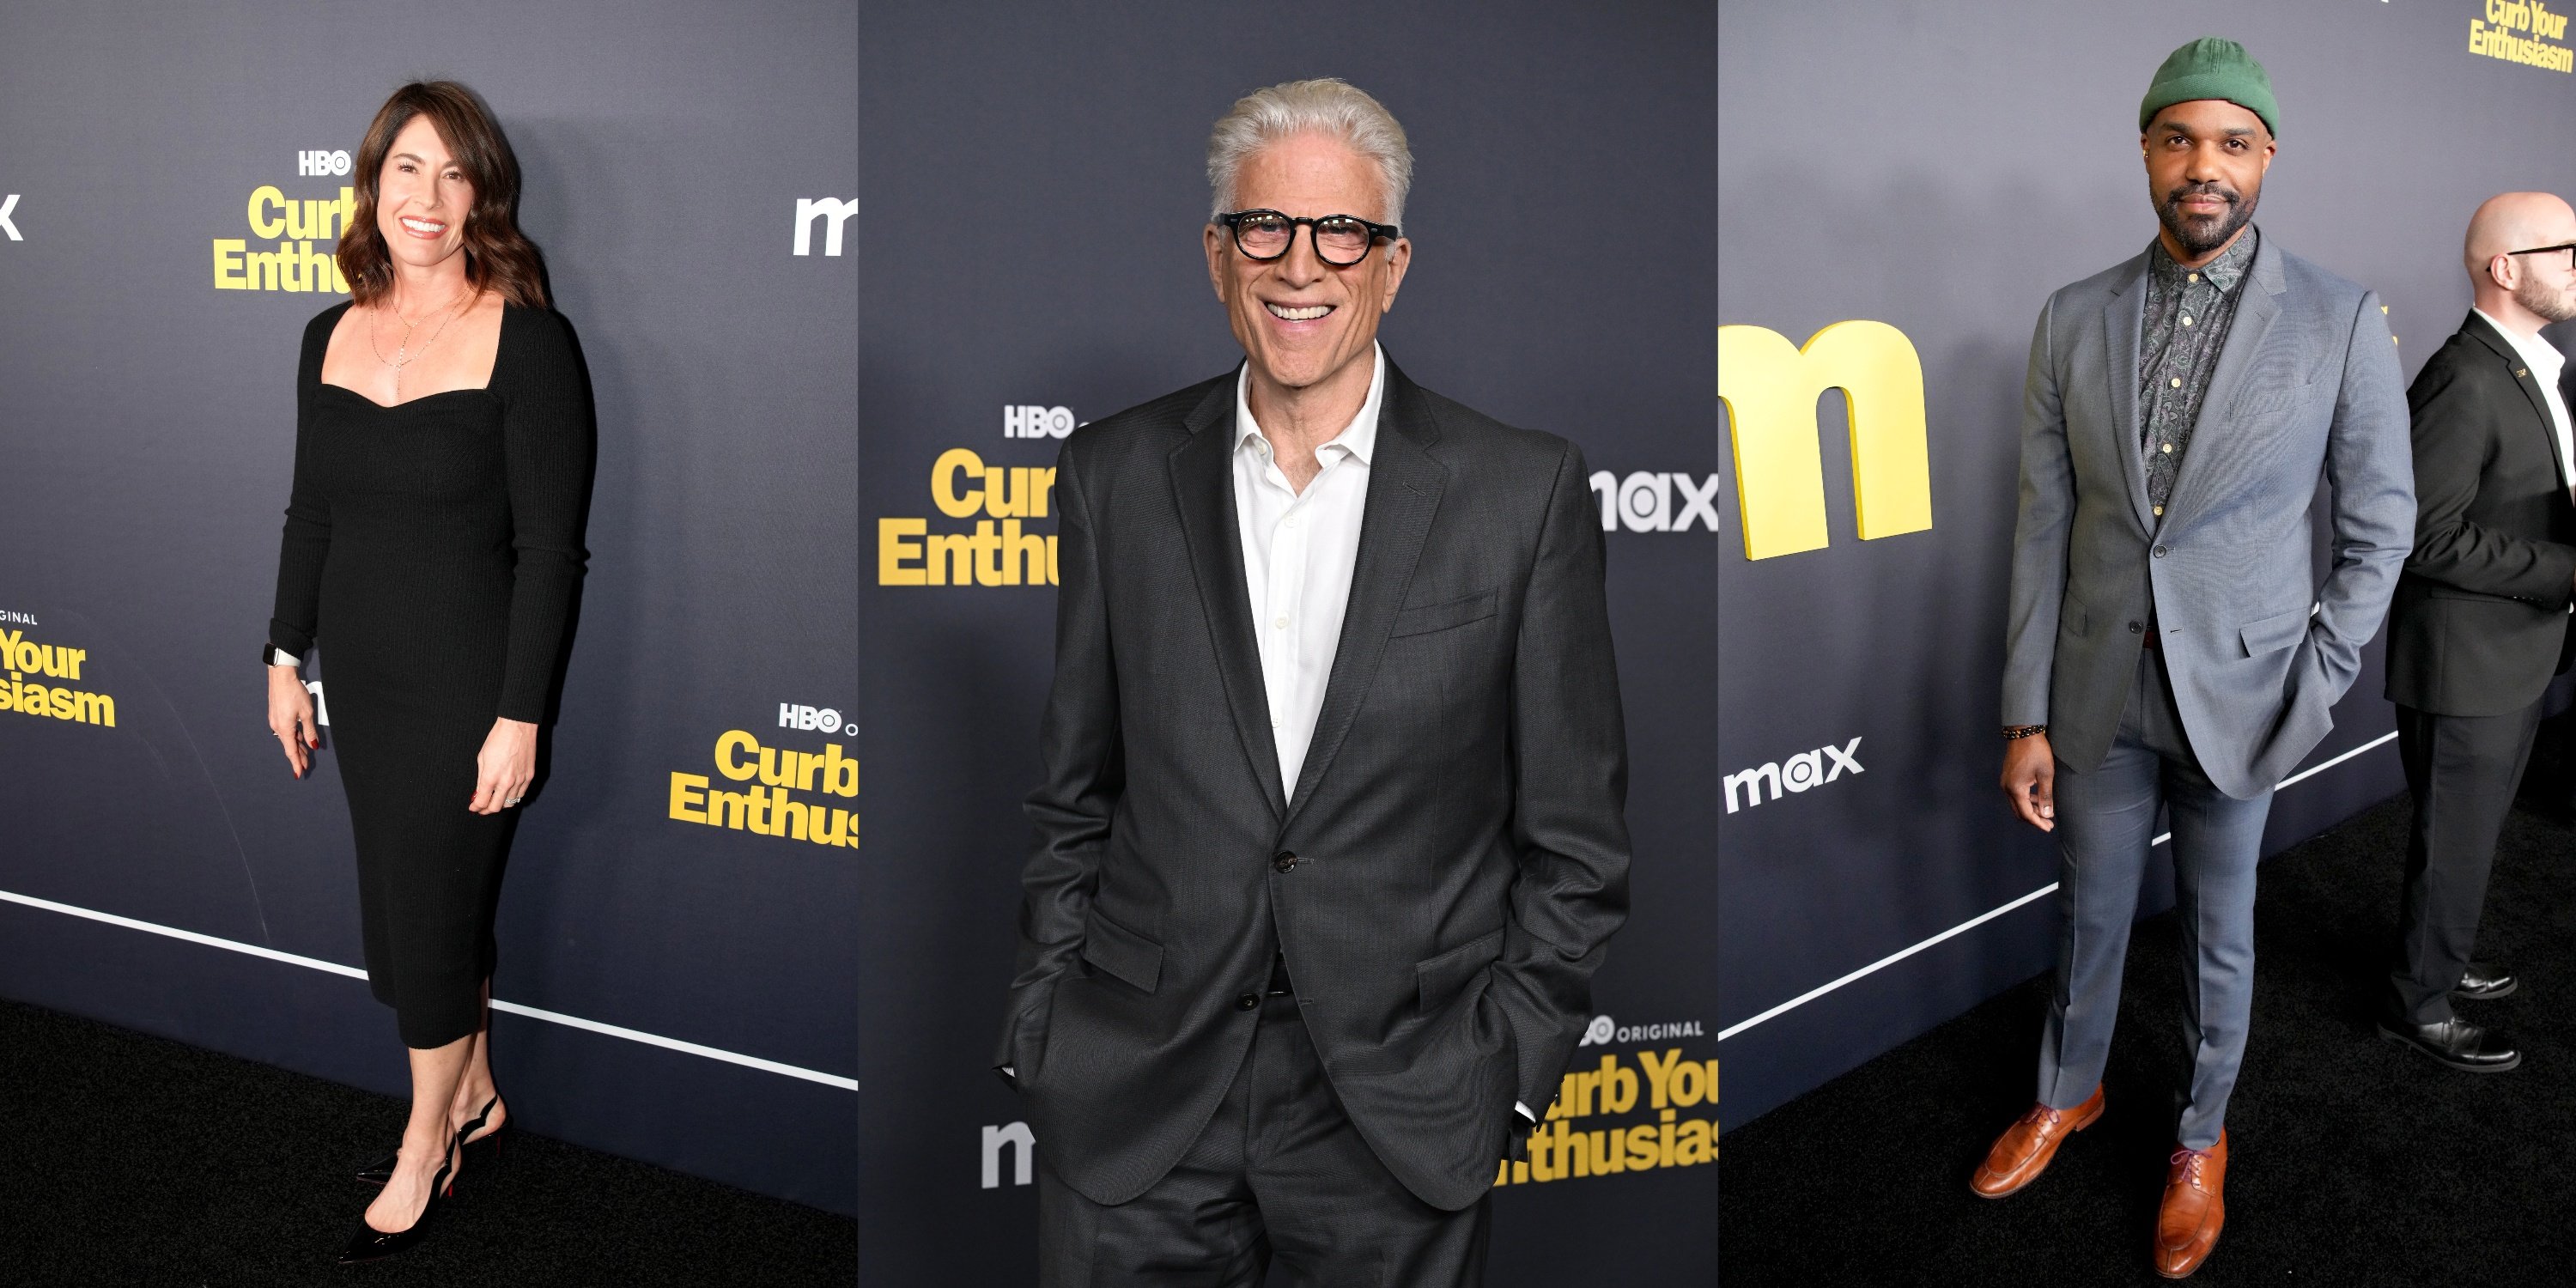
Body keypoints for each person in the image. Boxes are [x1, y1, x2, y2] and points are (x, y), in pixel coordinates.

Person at [993, 78, 1630, 1286]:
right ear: (1216, 254)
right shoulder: (1111, 475)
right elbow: (1074, 791)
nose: (1301, 266)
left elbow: (1578, 845)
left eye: (1341, 232)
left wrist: (1504, 1075)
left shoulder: (1521, 491)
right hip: (1138, 1085)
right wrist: (1046, 1028)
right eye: (1263, 228)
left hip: (1403, 1101)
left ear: (1392, 264)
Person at [1974, 39, 2413, 1279]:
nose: (2201, 167)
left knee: (2223, 935)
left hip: (2250, 702)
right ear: (2148, 153)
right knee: (2089, 915)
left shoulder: (2339, 318)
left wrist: (2315, 684)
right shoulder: (2074, 314)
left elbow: (2381, 530)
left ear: (2266, 156)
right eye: (2178, 140)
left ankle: (2199, 1139)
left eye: (2230, 143)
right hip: (2096, 698)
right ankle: (2070, 1091)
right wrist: (2028, 710)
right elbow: (2045, 524)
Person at [264, 80, 591, 1264]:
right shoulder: (326, 332)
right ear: (372, 181)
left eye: (455, 173)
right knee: (414, 923)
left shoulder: (530, 341)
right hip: (365, 678)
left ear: (482, 195)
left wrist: (520, 716)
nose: (429, 195)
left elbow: (552, 552)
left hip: (467, 691)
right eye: (409, 167)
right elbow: (313, 517)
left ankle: (424, 1147)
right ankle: (481, 1095)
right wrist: (280, 655)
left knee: (428, 930)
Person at [2377, 192, 2576, 1072]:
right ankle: (2417, 1005)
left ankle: (2441, 959)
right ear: (2505, 268)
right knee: (2454, 842)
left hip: (2511, 653)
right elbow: (2422, 533)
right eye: (2563, 246)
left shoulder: (2529, 365)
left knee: (2471, 836)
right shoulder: (2465, 376)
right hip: (2468, 667)